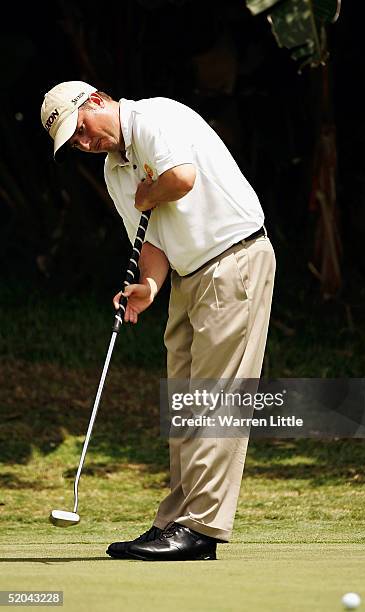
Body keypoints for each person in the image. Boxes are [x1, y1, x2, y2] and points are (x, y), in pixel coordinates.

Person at [41, 81, 276, 561]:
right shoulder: (114, 171)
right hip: (189, 276)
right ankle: (172, 522)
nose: (85, 144)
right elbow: (151, 244)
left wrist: (147, 195)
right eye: (74, 143)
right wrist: (148, 288)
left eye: (82, 129)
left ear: (98, 101)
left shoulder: (154, 118)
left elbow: (181, 178)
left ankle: (202, 529)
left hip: (234, 260)